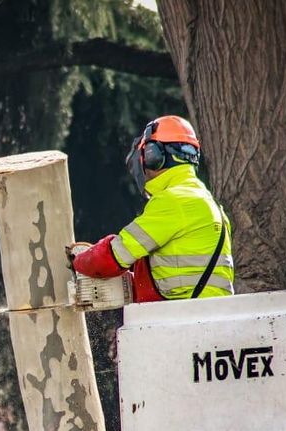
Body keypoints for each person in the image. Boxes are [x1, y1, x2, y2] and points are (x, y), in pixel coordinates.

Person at [69, 115, 233, 302]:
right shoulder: (207, 202)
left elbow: (112, 257)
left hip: (180, 318)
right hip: (207, 314)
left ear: (154, 156)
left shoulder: (172, 201)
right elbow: (172, 273)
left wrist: (76, 262)